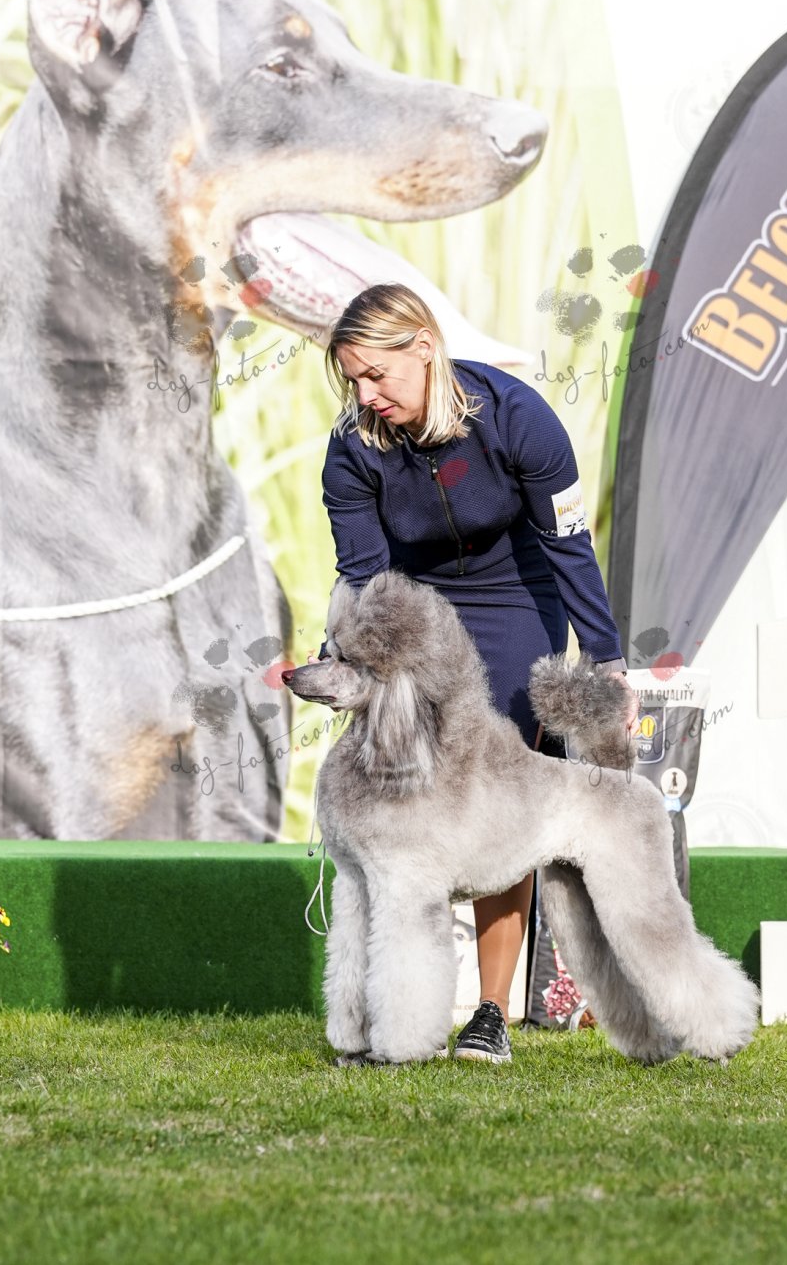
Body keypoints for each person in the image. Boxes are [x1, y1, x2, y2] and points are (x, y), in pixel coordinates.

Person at [311, 282, 638, 1064]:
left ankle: (490, 1011)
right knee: (396, 793)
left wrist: (607, 660)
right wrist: (345, 659)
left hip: (513, 593)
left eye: (376, 375)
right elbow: (365, 577)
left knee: (499, 789)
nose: (366, 395)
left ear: (424, 348)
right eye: (353, 380)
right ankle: (389, 1008)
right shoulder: (352, 449)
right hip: (416, 603)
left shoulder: (519, 418)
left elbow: (568, 545)